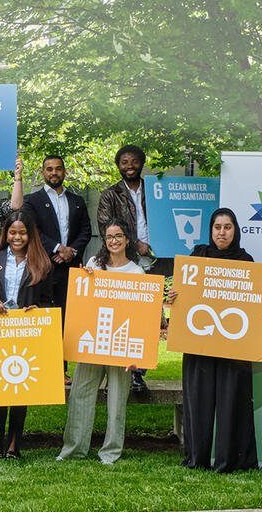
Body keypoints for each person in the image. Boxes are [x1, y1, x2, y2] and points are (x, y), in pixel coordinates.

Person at [173, 208, 262, 473]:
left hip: (233, 347)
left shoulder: (245, 260)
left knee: (232, 402)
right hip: (199, 343)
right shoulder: (198, 255)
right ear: (210, 229)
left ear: (235, 230)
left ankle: (231, 460)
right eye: (217, 227)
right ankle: (197, 458)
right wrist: (175, 297)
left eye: (228, 227)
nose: (222, 232)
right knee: (198, 400)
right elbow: (184, 293)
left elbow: (253, 304)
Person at [57, 220, 145, 465]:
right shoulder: (95, 265)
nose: (114, 240)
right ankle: (73, 449)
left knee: (117, 400)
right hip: (93, 341)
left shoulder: (136, 272)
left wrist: (137, 355)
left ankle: (110, 452)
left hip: (121, 344)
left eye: (118, 236)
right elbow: (82, 297)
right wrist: (84, 277)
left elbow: (140, 316)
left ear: (127, 239)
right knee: (80, 394)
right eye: (109, 236)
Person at [0, 210, 55, 459]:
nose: (17, 237)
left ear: (30, 235)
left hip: (27, 331)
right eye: (12, 232)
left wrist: (38, 309)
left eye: (22, 232)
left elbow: (48, 301)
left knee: (22, 388)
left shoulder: (43, 263)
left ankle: (13, 445)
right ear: (6, 233)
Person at [97, 145, 160, 393]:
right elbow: (106, 227)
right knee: (120, 317)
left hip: (154, 260)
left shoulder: (157, 191)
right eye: (124, 162)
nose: (129, 166)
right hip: (124, 261)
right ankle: (113, 369)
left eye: (134, 161)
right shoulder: (110, 195)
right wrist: (135, 244)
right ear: (118, 165)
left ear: (142, 163)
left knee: (147, 319)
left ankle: (138, 374)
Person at [21, 154, 92, 310]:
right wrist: (59, 248)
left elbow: (86, 231)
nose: (54, 172)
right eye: (49, 169)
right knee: (43, 313)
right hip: (42, 266)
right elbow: (32, 231)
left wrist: (71, 252)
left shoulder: (77, 200)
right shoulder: (31, 201)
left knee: (70, 313)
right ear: (43, 173)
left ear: (64, 172)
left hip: (71, 268)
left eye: (58, 169)